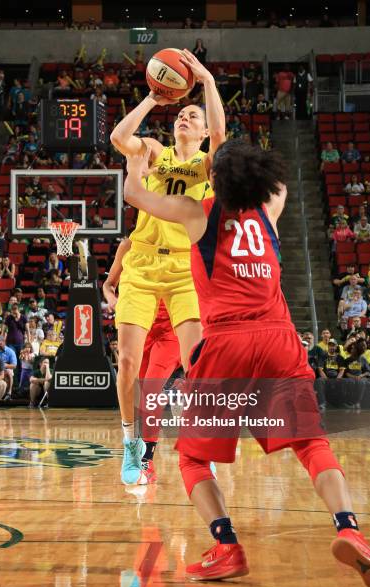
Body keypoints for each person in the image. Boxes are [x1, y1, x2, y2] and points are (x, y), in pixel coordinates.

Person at [123, 140, 370, 587]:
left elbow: (134, 194)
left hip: (227, 344)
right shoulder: (272, 207)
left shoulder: (196, 212)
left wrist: (134, 162)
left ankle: (227, 546)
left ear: (214, 178)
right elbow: (271, 176)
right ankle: (349, 528)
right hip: (279, 340)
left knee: (191, 457)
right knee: (310, 442)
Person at [110, 48, 225, 485]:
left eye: (192, 116)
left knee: (198, 363)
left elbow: (220, 133)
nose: (186, 120)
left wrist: (208, 82)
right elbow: (121, 138)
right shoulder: (155, 152)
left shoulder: (207, 165)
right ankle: (129, 443)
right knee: (126, 362)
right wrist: (153, 99)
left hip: (183, 271)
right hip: (140, 267)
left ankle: (202, 443)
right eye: (183, 115)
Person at [103, 238, 182, 484]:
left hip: (170, 330)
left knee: (151, 389)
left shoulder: (181, 242)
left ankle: (146, 460)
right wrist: (113, 300)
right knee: (137, 393)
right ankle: (134, 449)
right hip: (140, 325)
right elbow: (108, 284)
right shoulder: (128, 246)